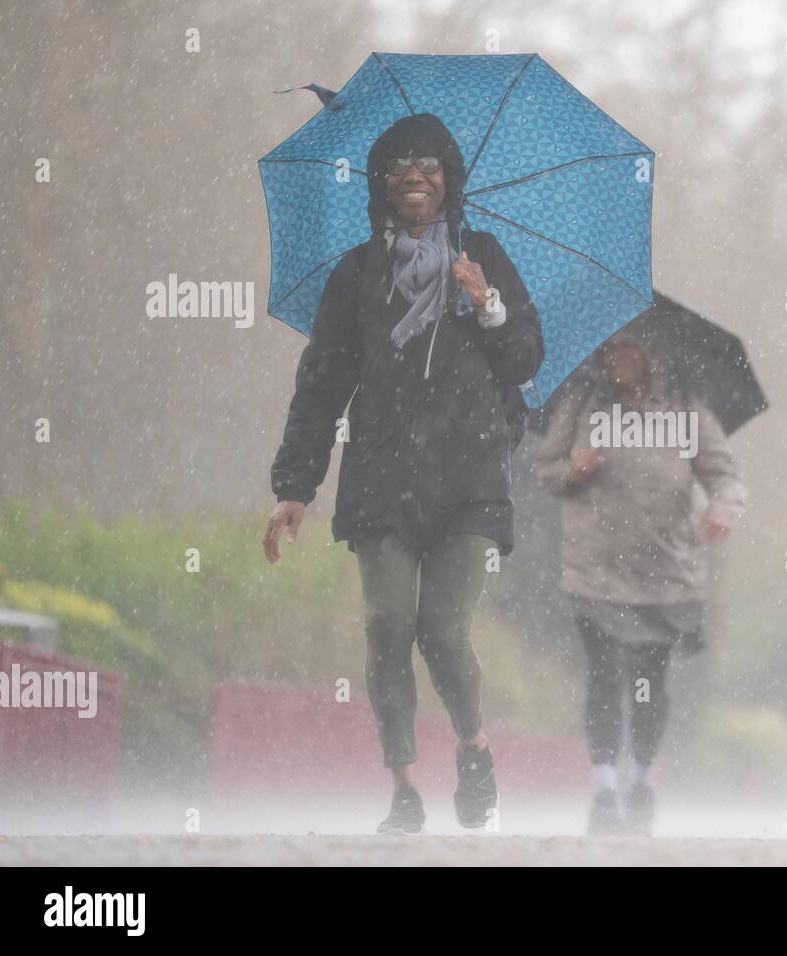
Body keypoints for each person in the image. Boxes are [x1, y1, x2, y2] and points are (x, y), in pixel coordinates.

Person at [263, 113, 543, 835]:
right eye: (398, 165)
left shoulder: (482, 255)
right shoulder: (357, 275)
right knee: (388, 623)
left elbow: (525, 361)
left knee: (443, 632)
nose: (414, 176)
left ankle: (474, 748)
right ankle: (405, 790)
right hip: (381, 476)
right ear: (380, 184)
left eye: (429, 164)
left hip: (471, 479)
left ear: (450, 180)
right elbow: (321, 383)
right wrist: (296, 486)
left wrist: (485, 300)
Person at [535, 333, 747, 835]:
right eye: (609, 350)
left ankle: (644, 782)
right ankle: (605, 788)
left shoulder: (688, 412)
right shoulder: (583, 405)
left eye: (628, 350)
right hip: (596, 569)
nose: (617, 359)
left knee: (651, 682)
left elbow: (725, 475)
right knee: (604, 675)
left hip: (666, 572)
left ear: (654, 355)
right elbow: (546, 470)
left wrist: (721, 509)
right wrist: (574, 469)